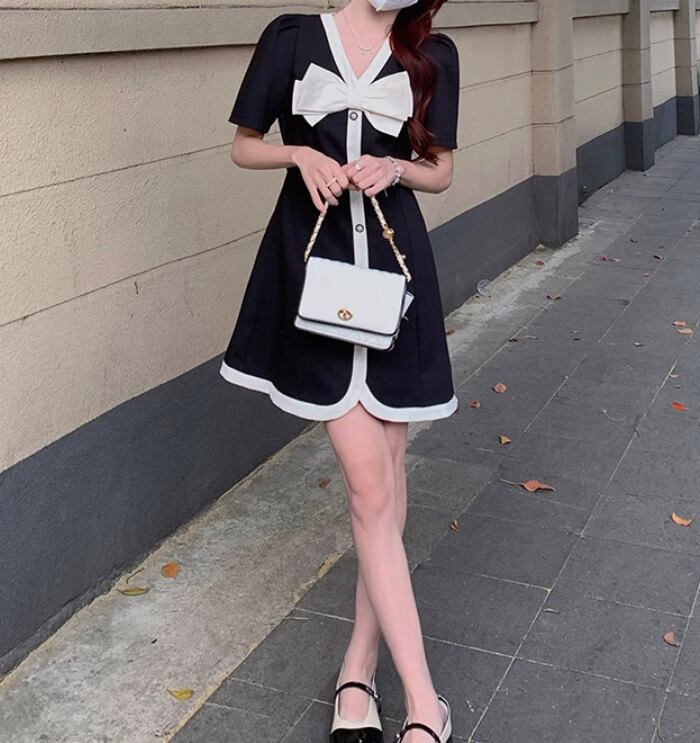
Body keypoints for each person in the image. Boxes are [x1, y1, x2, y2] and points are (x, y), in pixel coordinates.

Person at [220, 0, 460, 739]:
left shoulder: (431, 52)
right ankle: (425, 704)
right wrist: (300, 155)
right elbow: (243, 147)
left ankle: (358, 665)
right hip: (316, 277)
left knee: (385, 481)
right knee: (368, 484)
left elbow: (441, 171)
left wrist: (395, 166)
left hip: (395, 278)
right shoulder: (293, 37)